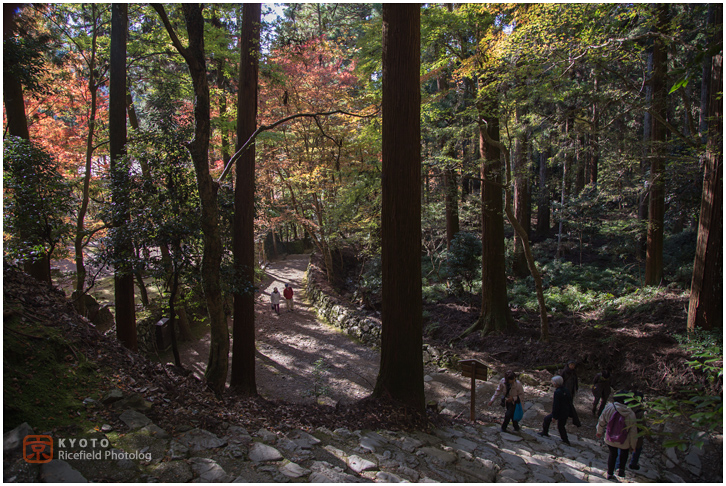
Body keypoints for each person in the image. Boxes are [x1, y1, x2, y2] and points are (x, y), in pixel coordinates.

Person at [596, 390, 638, 480]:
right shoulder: (630, 413)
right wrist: (633, 445)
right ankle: (621, 470)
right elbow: (633, 431)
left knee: (612, 454)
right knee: (624, 453)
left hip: (610, 437)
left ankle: (610, 473)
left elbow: (602, 421)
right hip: (624, 440)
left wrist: (599, 431)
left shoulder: (609, 407)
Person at [538, 375, 572, 445]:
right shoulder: (566, 390)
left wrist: (554, 416)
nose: (553, 383)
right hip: (566, 411)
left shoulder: (557, 392)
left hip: (560, 411)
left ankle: (545, 432)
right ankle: (565, 439)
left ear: (556, 383)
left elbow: (556, 405)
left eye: (553, 382)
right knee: (561, 426)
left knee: (547, 419)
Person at [561, 360, 581, 427]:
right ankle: (564, 412)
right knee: (565, 400)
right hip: (566, 388)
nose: (572, 366)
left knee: (570, 400)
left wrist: (576, 387)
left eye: (573, 365)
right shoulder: (564, 371)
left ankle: (569, 412)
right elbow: (561, 380)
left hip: (572, 388)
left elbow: (576, 380)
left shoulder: (574, 372)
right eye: (571, 365)